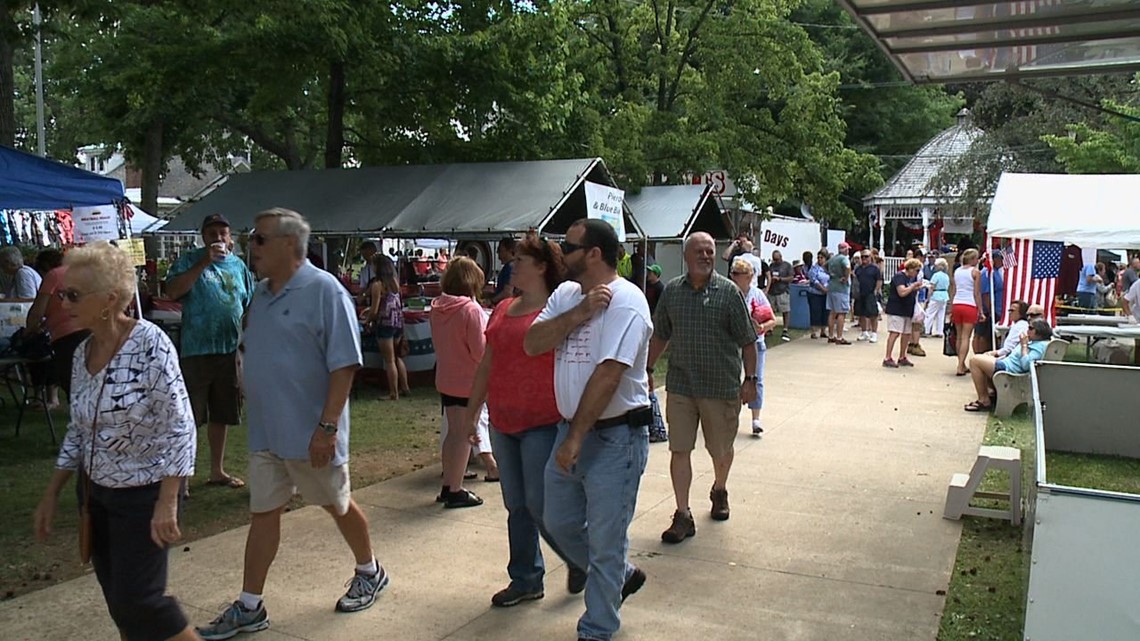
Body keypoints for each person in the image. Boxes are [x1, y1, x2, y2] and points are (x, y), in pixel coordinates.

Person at [197, 209, 388, 640]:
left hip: (310, 433)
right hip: (266, 432)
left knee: (337, 504)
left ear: (288, 244)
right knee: (263, 514)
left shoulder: (326, 292)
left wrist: (326, 428)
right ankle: (250, 605)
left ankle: (370, 571)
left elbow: (344, 366)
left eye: (259, 239)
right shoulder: (261, 293)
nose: (251, 246)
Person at [33, 241, 199, 641]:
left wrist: (167, 500)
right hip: (95, 494)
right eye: (60, 294)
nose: (63, 303)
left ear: (109, 300)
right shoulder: (81, 352)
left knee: (142, 601)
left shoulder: (150, 344)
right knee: (121, 605)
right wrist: (53, 491)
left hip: (141, 496)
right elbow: (78, 428)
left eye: (73, 295)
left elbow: (179, 425)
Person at [523, 218, 653, 641]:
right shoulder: (566, 294)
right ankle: (620, 575)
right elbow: (532, 343)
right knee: (554, 520)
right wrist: (579, 313)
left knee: (605, 540)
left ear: (594, 253)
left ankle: (596, 628)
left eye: (569, 245)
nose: (561, 251)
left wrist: (576, 437)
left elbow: (608, 374)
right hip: (571, 431)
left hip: (616, 438)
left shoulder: (628, 301)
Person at [462, 233, 588, 607]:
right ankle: (527, 578)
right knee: (516, 504)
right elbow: (488, 363)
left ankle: (578, 556)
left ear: (542, 267)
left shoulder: (557, 309)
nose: (512, 265)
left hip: (543, 421)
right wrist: (473, 415)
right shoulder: (503, 309)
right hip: (503, 420)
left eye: (520, 260)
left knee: (539, 503)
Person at [649, 232, 758, 541]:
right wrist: (646, 368)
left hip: (720, 386)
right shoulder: (672, 291)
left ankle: (719, 488)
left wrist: (750, 380)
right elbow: (660, 334)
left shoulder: (728, 293)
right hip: (682, 384)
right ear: (686, 255)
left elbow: (748, 341)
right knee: (679, 448)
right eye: (700, 251)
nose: (707, 256)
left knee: (720, 450)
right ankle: (682, 515)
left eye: (711, 251)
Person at [164, 214, 255, 491]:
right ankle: (183, 478)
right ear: (203, 236)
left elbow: (250, 305)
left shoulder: (239, 266)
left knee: (222, 413)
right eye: (212, 232)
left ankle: (217, 470)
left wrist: (246, 344)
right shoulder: (189, 261)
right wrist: (205, 262)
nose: (218, 238)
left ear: (231, 237)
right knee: (190, 416)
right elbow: (172, 292)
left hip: (228, 350)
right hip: (197, 350)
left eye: (223, 233)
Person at [431, 256, 498, 508]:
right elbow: (480, 351)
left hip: (446, 377)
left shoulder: (438, 308)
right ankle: (456, 489)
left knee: (453, 433)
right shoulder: (471, 310)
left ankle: (449, 483)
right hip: (469, 381)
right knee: (464, 435)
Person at [25, 249, 90, 408]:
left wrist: (29, 330)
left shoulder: (53, 275)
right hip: (92, 328)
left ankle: (81, 422)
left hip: (66, 334)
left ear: (45, 266)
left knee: (71, 381)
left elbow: (38, 311)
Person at [729, 257, 777, 436]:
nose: (734, 277)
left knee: (756, 379)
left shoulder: (757, 295)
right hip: (733, 344)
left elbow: (772, 320)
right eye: (733, 273)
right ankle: (730, 417)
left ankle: (756, 419)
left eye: (738, 274)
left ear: (748, 277)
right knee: (732, 381)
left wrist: (762, 327)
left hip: (756, 343)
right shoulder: (728, 293)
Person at [964, 319, 1054, 412]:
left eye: (1031, 328)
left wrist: (1024, 345)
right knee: (982, 358)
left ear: (1039, 332)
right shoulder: (1034, 342)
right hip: (1007, 364)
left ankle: (984, 400)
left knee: (974, 361)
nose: (1027, 330)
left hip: (1009, 370)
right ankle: (991, 394)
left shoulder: (1039, 346)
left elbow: (1026, 365)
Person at [365, 254, 409, 400]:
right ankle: (405, 387)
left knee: (389, 360)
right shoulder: (394, 283)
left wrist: (367, 320)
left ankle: (393, 393)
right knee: (397, 357)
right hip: (397, 322)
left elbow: (375, 310)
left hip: (384, 324)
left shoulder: (377, 285)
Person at [882, 259, 925, 368]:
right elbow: (902, 292)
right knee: (895, 332)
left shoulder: (911, 278)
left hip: (907, 310)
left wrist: (917, 287)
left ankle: (902, 356)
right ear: (910, 269)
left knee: (906, 334)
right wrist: (912, 286)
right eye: (916, 270)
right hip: (897, 309)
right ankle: (887, 357)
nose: (917, 273)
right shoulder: (900, 277)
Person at [949, 248, 984, 376]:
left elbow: (953, 289)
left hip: (957, 303)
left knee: (959, 336)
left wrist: (951, 306)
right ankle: (960, 366)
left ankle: (961, 363)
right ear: (973, 259)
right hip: (969, 304)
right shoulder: (975, 272)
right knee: (966, 337)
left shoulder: (957, 271)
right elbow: (976, 293)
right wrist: (980, 310)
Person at [974, 252, 1004, 355]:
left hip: (996, 308)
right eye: (1001, 259)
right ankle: (980, 354)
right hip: (988, 309)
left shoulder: (995, 272)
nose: (1002, 262)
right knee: (983, 335)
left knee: (989, 334)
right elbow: (985, 294)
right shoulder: (987, 273)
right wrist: (991, 309)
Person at [826, 243, 853, 344]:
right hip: (841, 289)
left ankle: (830, 335)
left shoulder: (832, 259)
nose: (848, 251)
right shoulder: (844, 259)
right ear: (843, 249)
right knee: (841, 312)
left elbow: (825, 265)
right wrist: (846, 278)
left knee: (832, 312)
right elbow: (847, 268)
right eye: (847, 249)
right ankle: (839, 337)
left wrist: (831, 274)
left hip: (832, 286)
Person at [853, 249, 882, 343]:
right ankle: (864, 332)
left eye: (866, 256)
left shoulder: (875, 268)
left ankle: (874, 333)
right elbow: (855, 278)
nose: (864, 258)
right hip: (860, 294)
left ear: (870, 257)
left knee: (873, 314)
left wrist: (876, 291)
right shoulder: (858, 268)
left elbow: (879, 280)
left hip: (870, 294)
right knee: (861, 314)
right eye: (862, 257)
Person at [766, 250, 793, 342]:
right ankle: (770, 328)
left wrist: (780, 279)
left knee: (785, 310)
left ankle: (785, 329)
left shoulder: (787, 266)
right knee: (770, 311)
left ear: (781, 257)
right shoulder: (771, 266)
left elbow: (791, 278)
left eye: (777, 259)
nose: (775, 261)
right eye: (774, 259)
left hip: (783, 291)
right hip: (772, 291)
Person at [923, 257, 951, 337]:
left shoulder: (936, 275)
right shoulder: (946, 276)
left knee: (930, 313)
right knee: (941, 314)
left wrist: (928, 298)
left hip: (936, 295)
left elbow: (932, 287)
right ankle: (939, 331)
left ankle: (927, 330)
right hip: (944, 295)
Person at [807, 250, 830, 339]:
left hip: (826, 293)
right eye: (818, 257)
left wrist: (828, 289)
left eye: (822, 258)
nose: (820, 259)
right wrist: (823, 288)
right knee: (815, 311)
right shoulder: (814, 268)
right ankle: (814, 331)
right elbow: (814, 280)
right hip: (815, 293)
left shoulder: (828, 269)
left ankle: (823, 331)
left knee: (825, 312)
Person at [492, 237, 517, 304]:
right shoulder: (508, 267)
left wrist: (492, 301)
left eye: (500, 250)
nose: (497, 253)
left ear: (509, 250)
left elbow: (508, 292)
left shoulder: (510, 267)